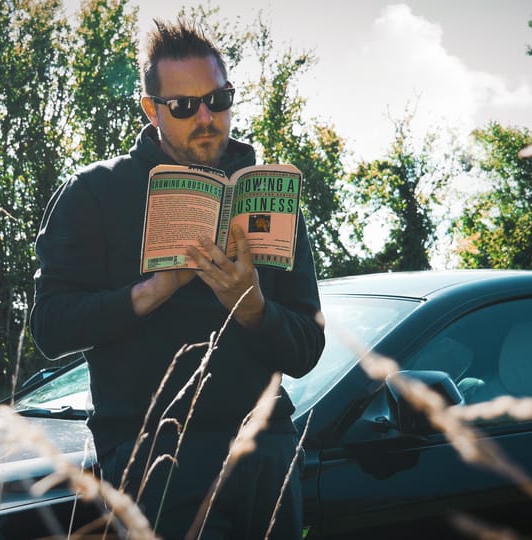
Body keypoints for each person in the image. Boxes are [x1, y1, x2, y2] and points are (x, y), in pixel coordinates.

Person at [31, 18, 325, 540]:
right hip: (156, 461)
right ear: (152, 110)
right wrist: (152, 292)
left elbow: (307, 349)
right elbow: (50, 329)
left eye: (218, 99)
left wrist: (253, 308)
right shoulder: (95, 192)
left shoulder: (269, 200)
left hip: (266, 457)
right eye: (185, 106)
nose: (206, 117)